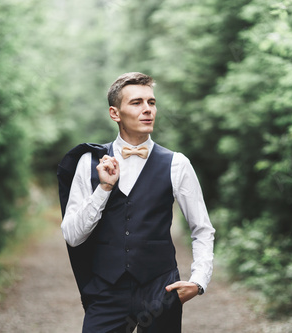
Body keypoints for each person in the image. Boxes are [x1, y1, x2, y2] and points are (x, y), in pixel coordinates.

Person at [61, 72, 215, 332]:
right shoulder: (88, 162)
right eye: (136, 103)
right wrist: (104, 188)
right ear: (115, 113)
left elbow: (202, 229)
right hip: (106, 291)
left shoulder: (177, 164)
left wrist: (199, 281)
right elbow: (73, 236)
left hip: (160, 290)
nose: (147, 110)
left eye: (151, 102)